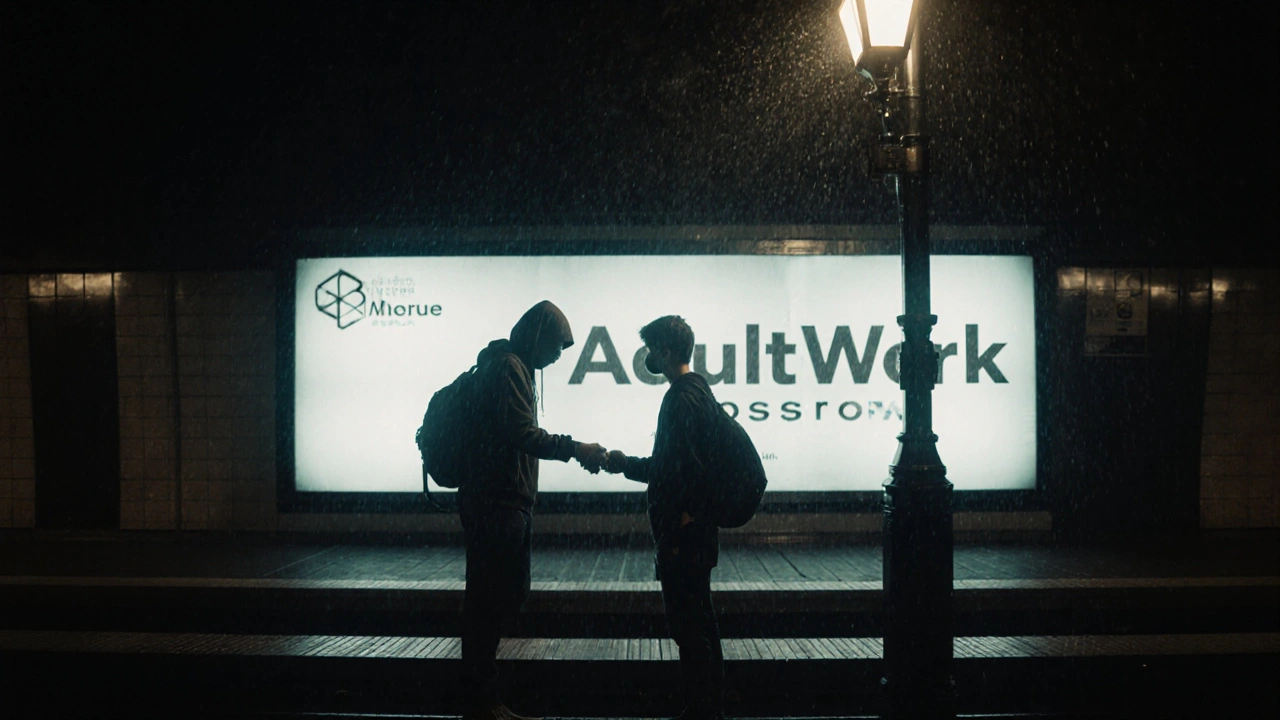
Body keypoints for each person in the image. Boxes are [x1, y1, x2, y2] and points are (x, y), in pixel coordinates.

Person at [459, 300, 607, 720]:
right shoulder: (509, 368)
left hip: (506, 501)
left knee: (501, 595)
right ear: (537, 335)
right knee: (488, 601)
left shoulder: (515, 367)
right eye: (557, 346)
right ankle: (481, 699)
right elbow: (522, 433)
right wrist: (575, 448)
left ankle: (482, 692)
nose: (559, 357)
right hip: (497, 501)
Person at [603, 315, 723, 720]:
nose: (649, 357)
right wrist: (628, 465)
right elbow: (673, 464)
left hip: (683, 533)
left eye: (652, 349)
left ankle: (702, 710)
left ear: (667, 352)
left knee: (688, 626)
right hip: (697, 531)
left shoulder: (680, 398)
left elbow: (677, 469)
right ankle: (710, 705)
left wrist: (679, 522)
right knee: (701, 621)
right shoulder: (699, 391)